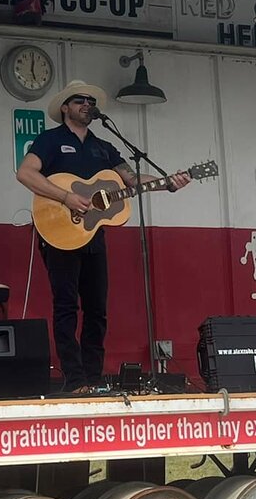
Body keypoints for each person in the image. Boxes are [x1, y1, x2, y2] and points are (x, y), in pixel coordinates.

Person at [16, 79, 189, 393]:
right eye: (79, 100)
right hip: (60, 232)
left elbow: (132, 178)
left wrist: (167, 182)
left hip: (93, 236)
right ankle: (74, 379)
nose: (87, 104)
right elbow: (25, 173)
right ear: (65, 107)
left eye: (90, 101)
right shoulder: (50, 141)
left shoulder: (104, 147)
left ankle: (94, 379)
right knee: (67, 306)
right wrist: (66, 197)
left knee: (97, 309)